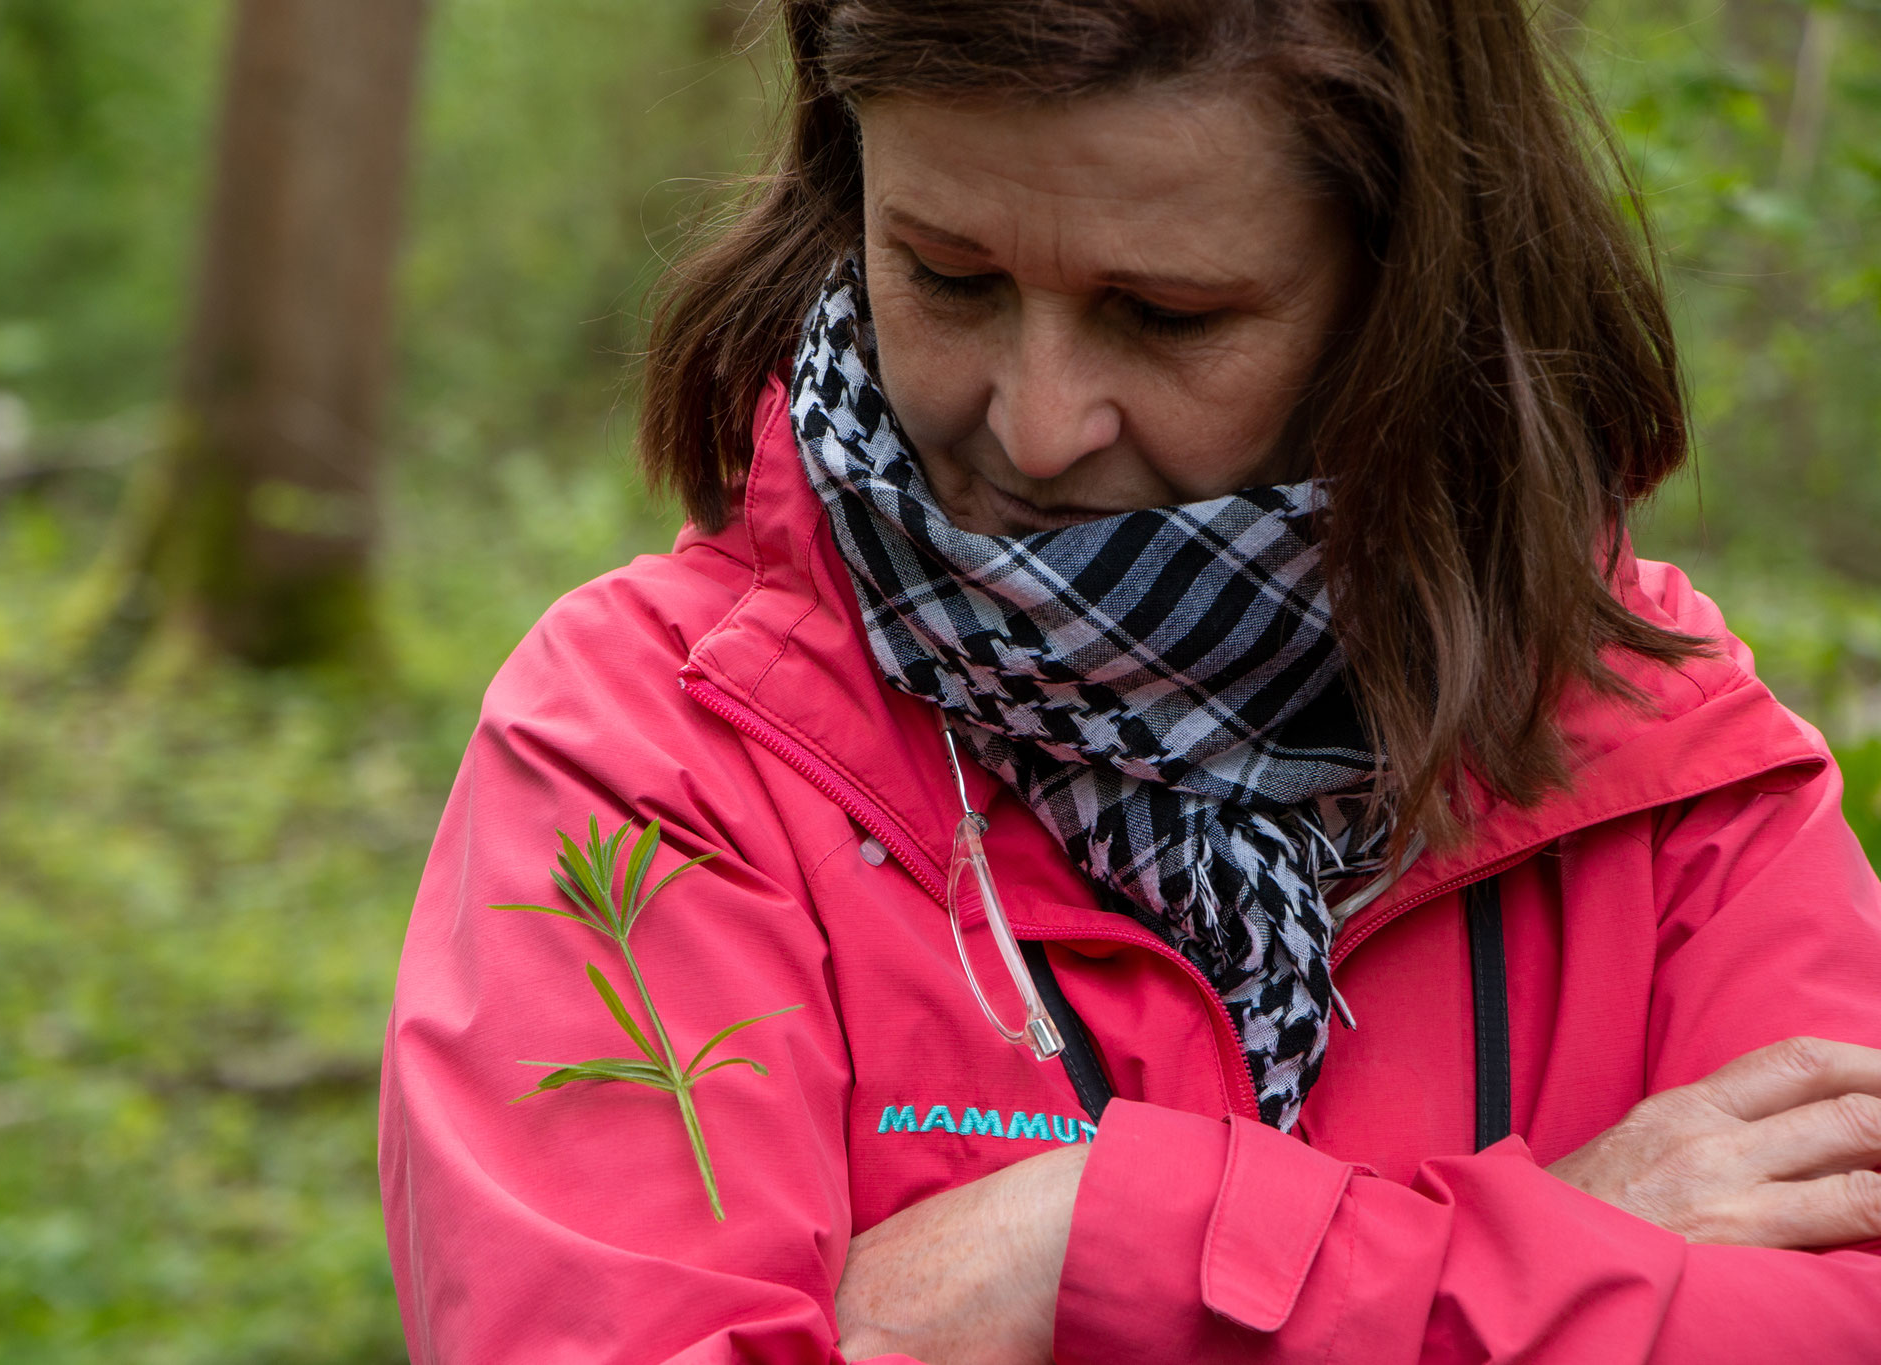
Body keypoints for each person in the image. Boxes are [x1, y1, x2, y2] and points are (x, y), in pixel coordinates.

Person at [377, 2, 1881, 1361]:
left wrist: (1090, 1244)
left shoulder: (1662, 757)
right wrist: (1558, 1246)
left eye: (1168, 316)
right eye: (946, 277)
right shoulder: (652, 748)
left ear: (1404, 285)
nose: (1036, 424)